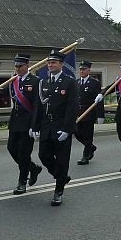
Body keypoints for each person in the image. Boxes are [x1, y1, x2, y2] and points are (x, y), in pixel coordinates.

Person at [32, 48, 79, 206]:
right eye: (49, 62)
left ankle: (58, 191)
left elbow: (72, 108)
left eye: (53, 62)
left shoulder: (69, 82)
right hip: (46, 126)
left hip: (61, 126)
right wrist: (35, 126)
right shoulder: (43, 82)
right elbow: (39, 107)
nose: (50, 65)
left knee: (62, 160)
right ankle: (62, 177)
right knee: (43, 155)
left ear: (61, 64)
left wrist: (67, 129)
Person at [8, 54, 42, 195]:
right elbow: (4, 93)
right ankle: (33, 168)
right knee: (11, 149)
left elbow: (37, 106)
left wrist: (35, 126)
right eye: (16, 66)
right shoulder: (13, 81)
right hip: (15, 121)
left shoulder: (35, 81)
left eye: (20, 66)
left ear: (27, 65)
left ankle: (22, 181)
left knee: (23, 153)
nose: (17, 69)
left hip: (27, 123)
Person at [75, 60, 105, 166]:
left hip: (89, 113)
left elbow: (99, 99)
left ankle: (85, 156)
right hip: (78, 113)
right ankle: (91, 147)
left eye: (84, 69)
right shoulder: (76, 82)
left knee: (88, 136)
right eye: (80, 69)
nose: (82, 71)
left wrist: (100, 115)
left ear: (89, 70)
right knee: (77, 133)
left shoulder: (94, 83)